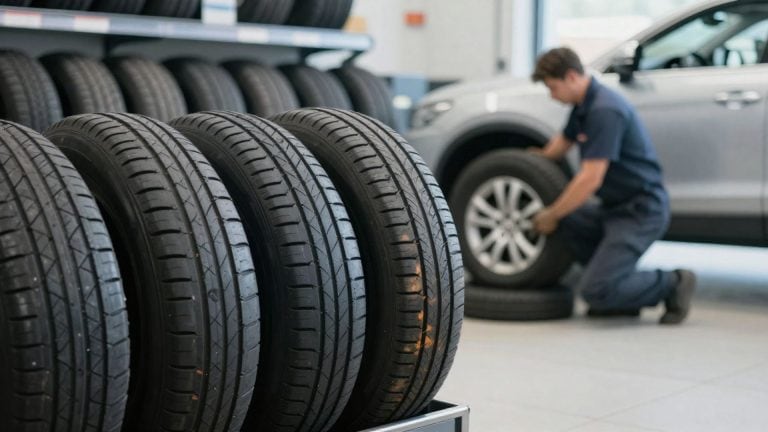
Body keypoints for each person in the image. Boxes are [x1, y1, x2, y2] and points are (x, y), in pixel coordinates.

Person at [530, 47, 695, 324]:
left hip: (641, 212)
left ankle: (673, 282)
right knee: (568, 220)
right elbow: (560, 145)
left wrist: (551, 213)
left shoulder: (605, 110)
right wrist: (527, 160)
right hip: (613, 209)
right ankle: (618, 289)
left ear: (571, 77)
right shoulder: (582, 105)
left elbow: (590, 178)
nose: (551, 95)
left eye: (552, 87)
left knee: (595, 291)